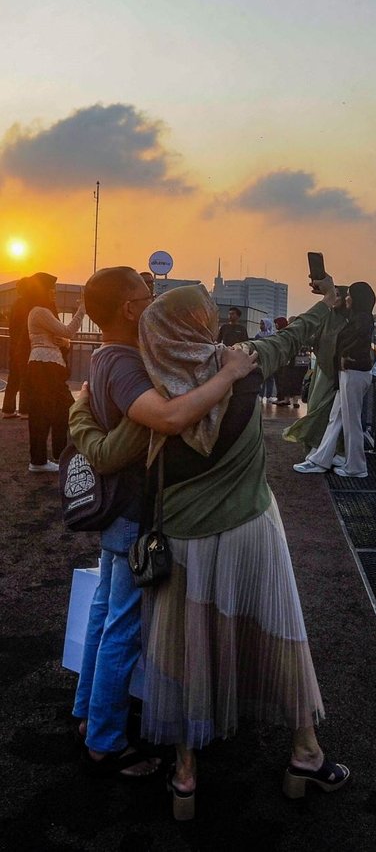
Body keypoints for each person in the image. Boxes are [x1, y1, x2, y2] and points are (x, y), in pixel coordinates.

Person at [69, 277, 350, 819]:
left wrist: (80, 413)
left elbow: (110, 447)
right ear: (204, 322)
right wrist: (328, 302)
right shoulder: (243, 363)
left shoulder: (151, 385)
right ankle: (305, 753)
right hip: (251, 529)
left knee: (183, 650)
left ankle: (185, 774)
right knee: (278, 633)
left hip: (181, 539)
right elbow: (295, 339)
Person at [69, 267, 257, 780]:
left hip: (120, 513)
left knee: (106, 615)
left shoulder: (109, 358)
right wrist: (230, 374)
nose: (153, 299)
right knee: (124, 629)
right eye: (145, 292)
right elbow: (171, 419)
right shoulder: (126, 363)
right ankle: (107, 741)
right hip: (132, 513)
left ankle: (89, 716)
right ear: (130, 309)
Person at [293, 281, 376, 478]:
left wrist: (347, 355)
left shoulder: (362, 319)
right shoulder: (359, 317)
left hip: (353, 373)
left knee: (350, 421)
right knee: (337, 418)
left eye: (349, 295)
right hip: (350, 373)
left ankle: (356, 467)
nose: (347, 298)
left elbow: (358, 340)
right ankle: (320, 460)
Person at [26, 273, 85, 472]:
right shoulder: (39, 311)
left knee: (62, 411)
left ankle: (54, 456)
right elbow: (67, 332)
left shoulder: (41, 312)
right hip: (44, 366)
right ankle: (41, 460)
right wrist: (81, 310)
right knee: (47, 412)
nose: (54, 293)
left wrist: (65, 342)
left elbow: (62, 339)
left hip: (48, 366)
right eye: (50, 289)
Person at [283, 287, 348, 451]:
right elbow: (315, 339)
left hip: (338, 372)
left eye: (339, 295)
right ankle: (313, 444)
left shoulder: (349, 321)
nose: (336, 298)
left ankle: (326, 447)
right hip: (321, 369)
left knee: (327, 410)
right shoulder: (327, 317)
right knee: (315, 405)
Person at [2, 277, 32, 419]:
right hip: (24, 347)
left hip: (14, 346)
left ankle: (8, 409)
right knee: (26, 378)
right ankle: (25, 409)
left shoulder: (15, 305)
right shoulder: (28, 305)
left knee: (13, 377)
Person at [254, 317, 276, 401]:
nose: (261, 325)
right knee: (261, 377)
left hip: (270, 359)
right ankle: (260, 395)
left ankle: (269, 396)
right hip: (260, 359)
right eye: (260, 324)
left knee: (270, 377)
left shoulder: (272, 336)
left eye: (263, 324)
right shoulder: (258, 336)